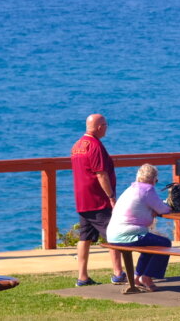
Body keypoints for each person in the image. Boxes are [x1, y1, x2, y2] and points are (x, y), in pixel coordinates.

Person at [71, 113, 124, 286]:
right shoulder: (95, 146)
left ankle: (82, 276)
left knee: (84, 237)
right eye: (106, 125)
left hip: (82, 200)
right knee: (113, 235)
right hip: (98, 199)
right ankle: (118, 273)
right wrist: (111, 197)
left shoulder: (77, 145)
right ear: (100, 126)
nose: (107, 128)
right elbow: (101, 174)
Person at [107, 163, 173, 291]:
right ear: (153, 179)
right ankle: (147, 277)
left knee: (150, 244)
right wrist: (168, 207)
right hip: (127, 235)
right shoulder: (147, 189)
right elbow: (163, 209)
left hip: (113, 234)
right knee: (165, 243)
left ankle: (137, 277)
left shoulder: (131, 189)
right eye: (156, 180)